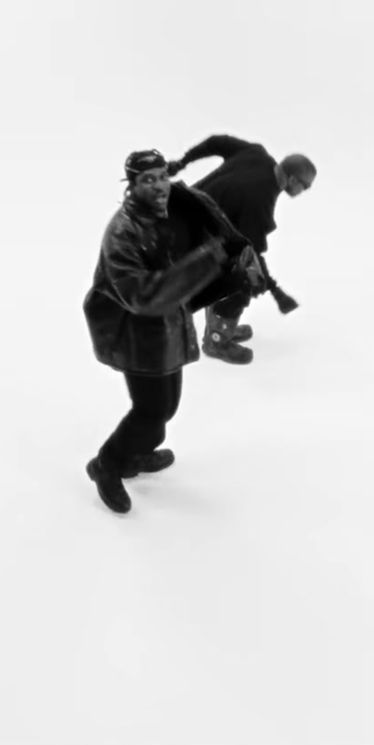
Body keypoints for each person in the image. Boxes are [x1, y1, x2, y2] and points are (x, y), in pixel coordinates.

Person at [81, 149, 266, 514]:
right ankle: (107, 464)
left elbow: (184, 290)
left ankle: (138, 451)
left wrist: (235, 275)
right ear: (131, 185)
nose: (160, 185)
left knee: (166, 409)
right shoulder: (122, 233)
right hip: (135, 334)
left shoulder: (172, 216)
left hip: (166, 328)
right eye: (148, 179)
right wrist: (211, 258)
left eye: (163, 176)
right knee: (151, 412)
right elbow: (144, 296)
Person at [166, 134, 316, 364]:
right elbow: (250, 252)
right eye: (305, 186)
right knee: (245, 279)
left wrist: (183, 162)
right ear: (294, 180)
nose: (303, 191)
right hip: (183, 241)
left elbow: (217, 142)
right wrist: (276, 292)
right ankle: (217, 340)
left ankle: (220, 324)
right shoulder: (260, 201)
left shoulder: (256, 153)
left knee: (234, 264)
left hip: (180, 214)